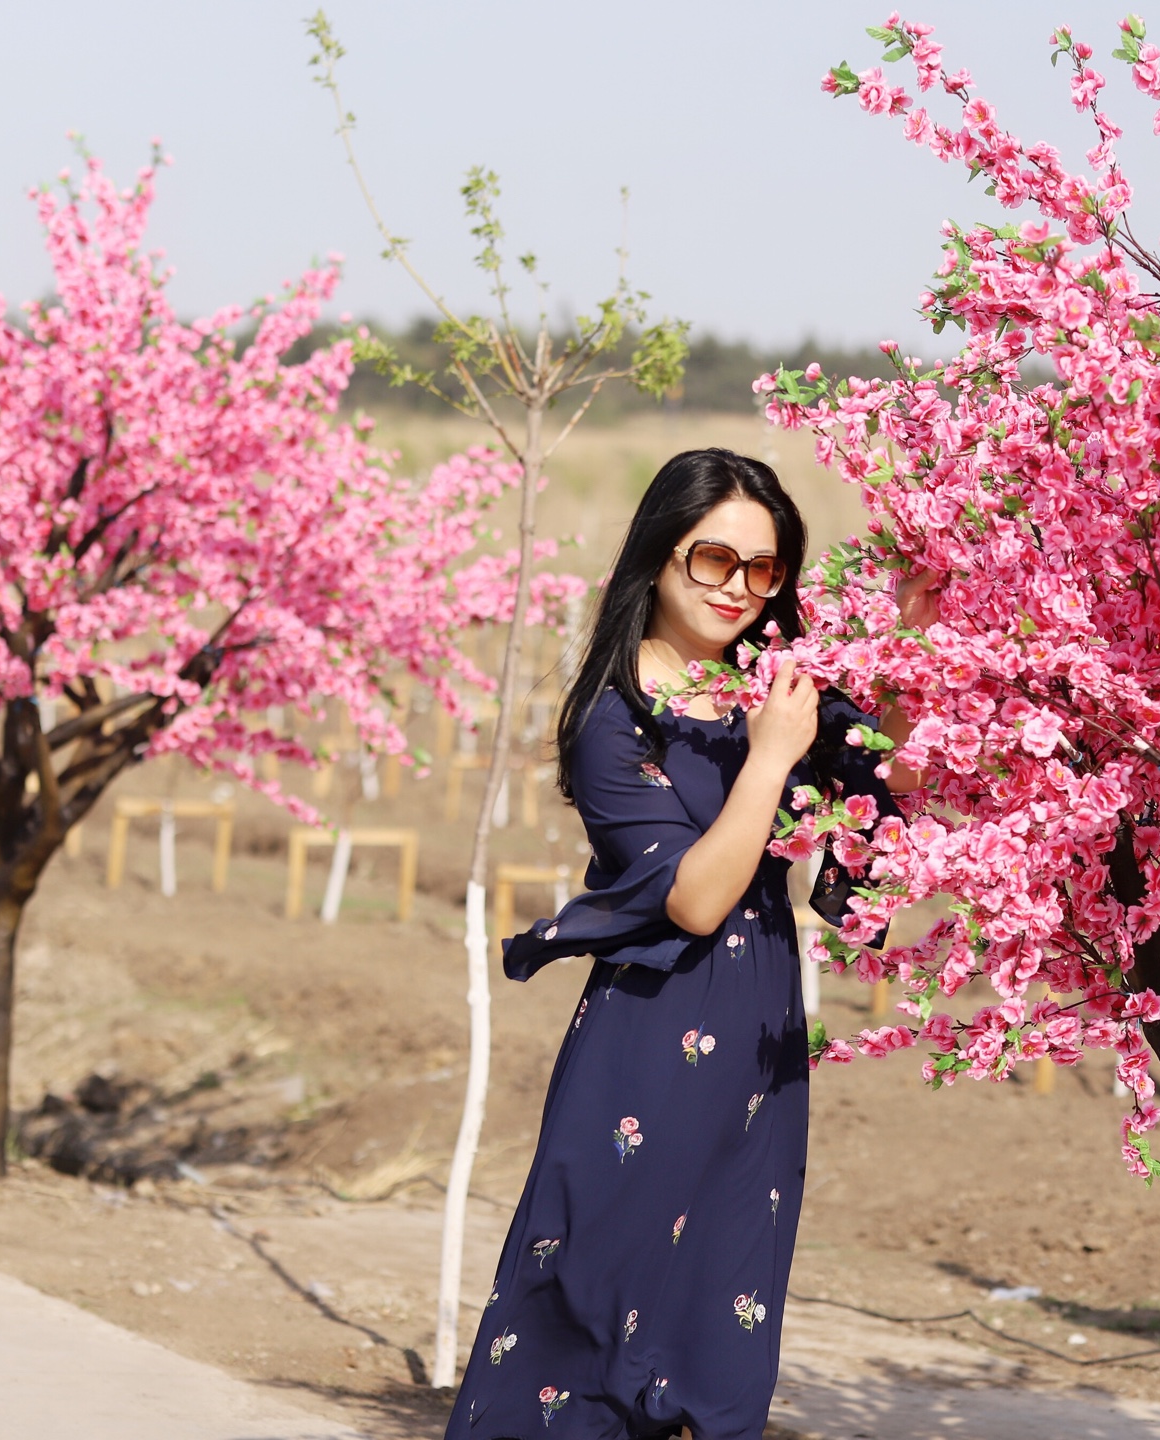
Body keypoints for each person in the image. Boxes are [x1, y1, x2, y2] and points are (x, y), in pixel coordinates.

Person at [445, 448, 896, 1440]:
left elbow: (877, 792)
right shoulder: (616, 721)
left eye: (763, 569)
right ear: (659, 554)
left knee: (723, 1310)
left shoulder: (771, 687)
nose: (739, 588)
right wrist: (770, 760)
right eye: (714, 559)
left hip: (758, 1051)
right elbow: (694, 898)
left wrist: (909, 650)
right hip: (650, 1047)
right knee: (588, 1298)